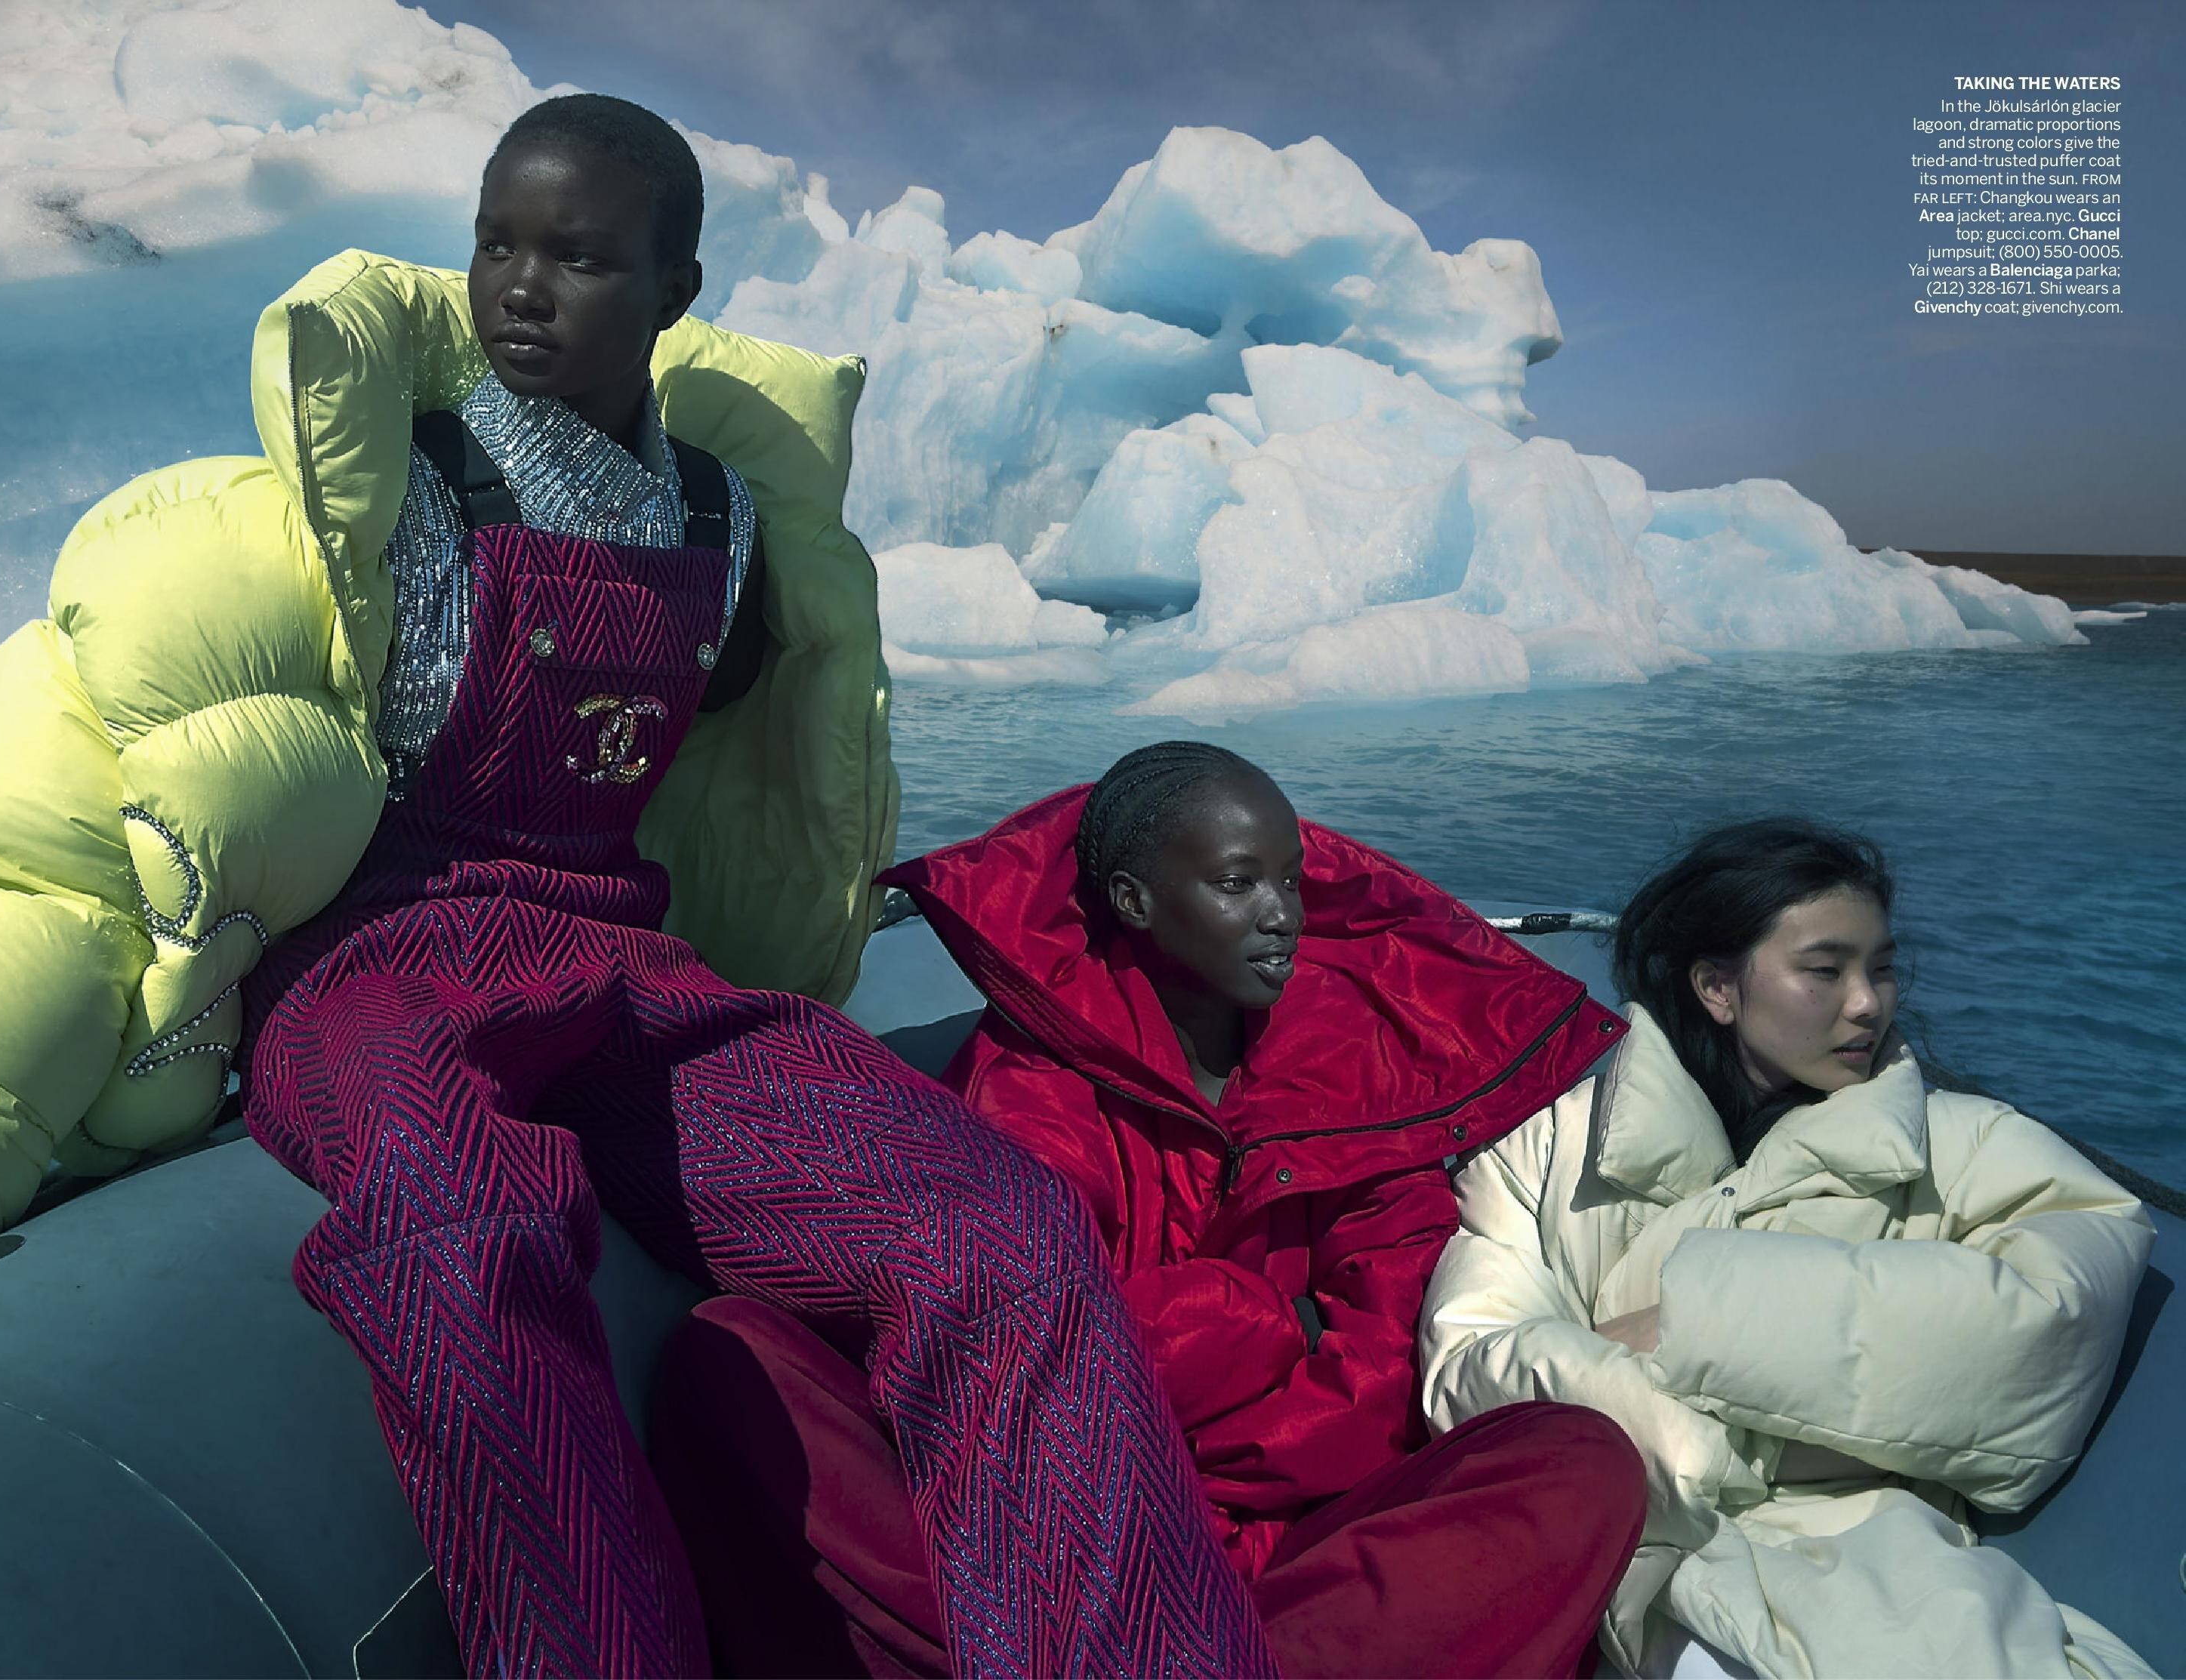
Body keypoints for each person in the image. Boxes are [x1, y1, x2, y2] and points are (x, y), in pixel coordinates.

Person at [230, 102, 1275, 1678]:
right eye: (495, 247)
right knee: (452, 1227)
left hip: (616, 961)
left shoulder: (717, 524)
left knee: (992, 1222)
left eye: (577, 257)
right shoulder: (415, 482)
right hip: (382, 963)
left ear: (674, 287)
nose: (519, 288)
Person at [652, 741, 1651, 1678]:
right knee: (730, 1354)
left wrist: (1219, 1415)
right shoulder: (1026, 1086)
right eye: (1237, 883)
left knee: (1581, 1460)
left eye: (1291, 881)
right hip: (1052, 1544)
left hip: (1299, 1539)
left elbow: (1387, 1365)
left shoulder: (1353, 1069)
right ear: (1134, 900)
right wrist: (1262, 1323)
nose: (1281, 915)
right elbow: (1034, 1368)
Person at [1417, 818, 2155, 1678]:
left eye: (1882, 967)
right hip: (1626, 1546)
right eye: (1826, 970)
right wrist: (1695, 1448)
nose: (1868, 1002)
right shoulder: (1552, 1149)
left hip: (1870, 1555)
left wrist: (1701, 1322)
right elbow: (1472, 1360)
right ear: (1717, 987)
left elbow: (2052, 1322)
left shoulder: (1965, 1145)